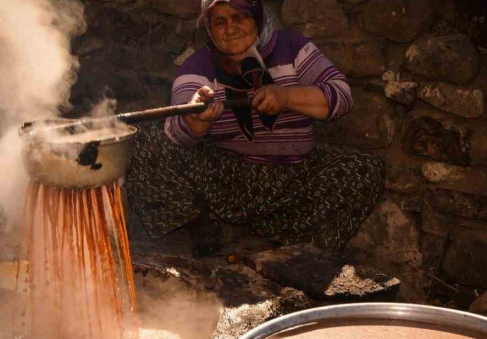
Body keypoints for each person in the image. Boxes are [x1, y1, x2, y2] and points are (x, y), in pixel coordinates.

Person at [126, 0, 384, 256]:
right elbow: (178, 132)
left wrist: (287, 98)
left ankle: (296, 252)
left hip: (294, 176)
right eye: (220, 22)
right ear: (209, 29)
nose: (231, 29)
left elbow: (342, 96)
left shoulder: (293, 48)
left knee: (364, 168)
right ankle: (200, 228)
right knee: (146, 137)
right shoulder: (199, 65)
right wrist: (198, 117)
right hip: (227, 177)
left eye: (239, 18)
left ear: (257, 18)